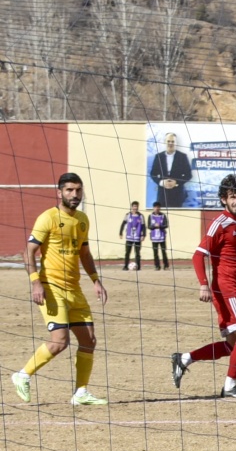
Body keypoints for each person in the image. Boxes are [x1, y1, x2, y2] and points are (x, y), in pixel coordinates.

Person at [11, 172, 109, 406]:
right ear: (59, 193)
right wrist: (36, 282)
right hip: (51, 287)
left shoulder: (83, 219)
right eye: (69, 190)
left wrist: (95, 280)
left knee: (89, 341)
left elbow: (84, 253)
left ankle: (80, 392)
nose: (74, 194)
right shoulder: (48, 218)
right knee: (59, 342)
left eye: (78, 190)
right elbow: (29, 252)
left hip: (74, 289)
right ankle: (22, 375)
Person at [170, 173, 236, 399]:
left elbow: (232, 258)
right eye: (232, 197)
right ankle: (230, 386)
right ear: (223, 199)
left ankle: (184, 358)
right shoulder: (220, 223)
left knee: (232, 345)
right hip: (227, 288)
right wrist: (203, 285)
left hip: (235, 285)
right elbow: (198, 255)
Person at [149, 132, 192, 209]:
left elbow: (188, 175)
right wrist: (161, 182)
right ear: (164, 142)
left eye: (173, 141)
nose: (170, 143)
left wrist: (176, 182)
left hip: (177, 195)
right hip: (162, 195)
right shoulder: (158, 157)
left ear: (176, 143)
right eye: (168, 141)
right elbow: (153, 173)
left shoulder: (182, 157)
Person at [119, 201, 145, 271]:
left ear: (138, 207)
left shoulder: (141, 216)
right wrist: (120, 233)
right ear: (132, 207)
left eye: (136, 206)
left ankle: (138, 267)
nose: (135, 208)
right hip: (129, 237)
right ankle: (125, 266)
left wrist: (143, 235)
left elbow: (143, 226)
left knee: (137, 253)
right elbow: (123, 224)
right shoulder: (128, 215)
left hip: (137, 237)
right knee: (127, 252)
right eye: (134, 206)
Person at [149, 204, 170, 270]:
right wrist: (154, 226)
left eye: (158, 207)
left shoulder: (163, 216)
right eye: (155, 207)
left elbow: (166, 225)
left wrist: (160, 226)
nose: (157, 208)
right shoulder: (150, 216)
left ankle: (166, 265)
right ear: (153, 208)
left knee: (163, 252)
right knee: (155, 253)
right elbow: (149, 226)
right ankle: (157, 266)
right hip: (154, 237)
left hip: (162, 237)